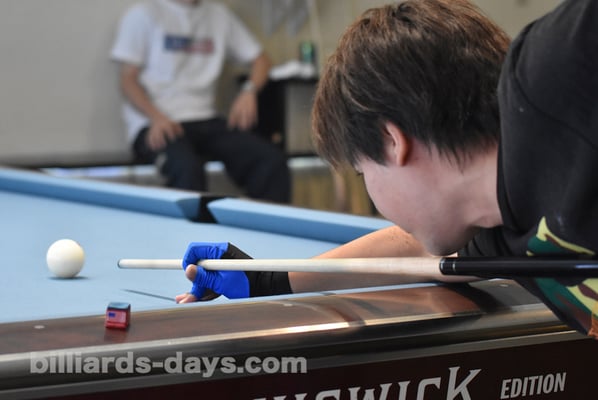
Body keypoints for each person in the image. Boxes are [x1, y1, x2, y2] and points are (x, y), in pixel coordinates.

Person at [175, 0, 598, 337]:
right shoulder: (500, 231)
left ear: (392, 141)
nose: (375, 200)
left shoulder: (555, 68)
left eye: (362, 172)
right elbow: (415, 250)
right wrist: (267, 280)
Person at [111, 0, 291, 203]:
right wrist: (156, 117)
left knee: (271, 160)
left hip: (207, 119)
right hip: (156, 122)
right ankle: (188, 226)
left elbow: (262, 61)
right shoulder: (143, 14)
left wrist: (249, 91)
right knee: (187, 169)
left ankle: (260, 222)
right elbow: (127, 80)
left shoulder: (219, 15)